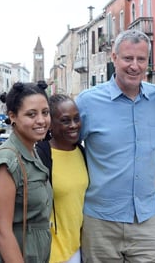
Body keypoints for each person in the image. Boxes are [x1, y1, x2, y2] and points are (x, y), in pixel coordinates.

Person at [75, 29, 155, 262]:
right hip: (100, 222)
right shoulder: (87, 102)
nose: (134, 66)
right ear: (114, 58)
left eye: (141, 59)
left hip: (146, 220)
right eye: (127, 58)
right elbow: (66, 150)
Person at [0, 81, 53, 263]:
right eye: (31, 114)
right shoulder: (7, 162)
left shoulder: (32, 153)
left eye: (45, 113)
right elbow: (2, 232)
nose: (41, 120)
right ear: (12, 116)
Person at [36, 94, 88, 263]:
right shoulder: (40, 156)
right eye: (65, 120)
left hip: (75, 250)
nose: (73, 125)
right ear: (50, 124)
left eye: (76, 119)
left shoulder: (82, 152)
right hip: (49, 253)